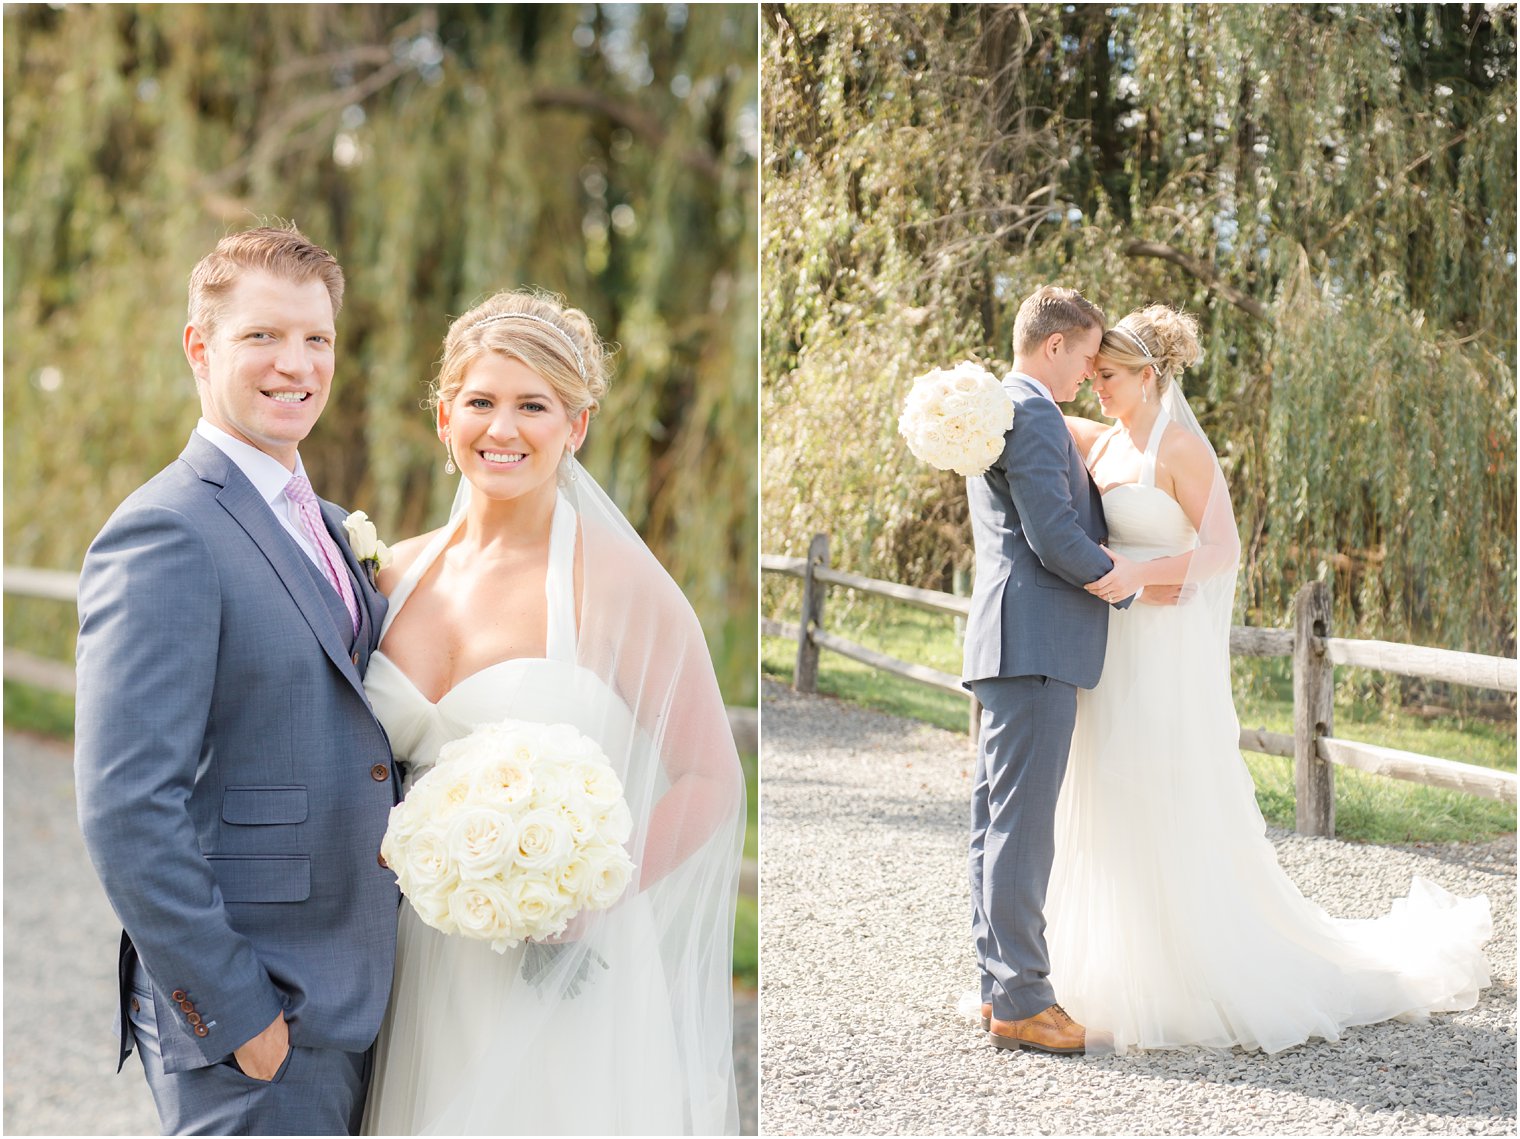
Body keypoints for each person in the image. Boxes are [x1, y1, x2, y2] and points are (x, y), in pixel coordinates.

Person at [1045, 304, 1493, 1054]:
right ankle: (1103, 968)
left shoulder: (1181, 447)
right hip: (1114, 647)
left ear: (1149, 375)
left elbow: (1221, 551)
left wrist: (1137, 572)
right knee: (1107, 786)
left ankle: (1185, 970)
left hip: (1161, 650)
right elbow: (1037, 418)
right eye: (1091, 375)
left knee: (1162, 787)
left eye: (1109, 375)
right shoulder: (1105, 444)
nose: (1096, 387)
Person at [359, 289, 745, 1134]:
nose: (504, 428)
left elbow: (710, 776)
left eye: (533, 405)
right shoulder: (392, 573)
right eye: (482, 402)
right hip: (419, 960)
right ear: (444, 416)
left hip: (565, 959)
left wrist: (592, 893)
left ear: (576, 425)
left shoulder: (620, 585)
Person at [75, 225, 399, 1134]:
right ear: (200, 345)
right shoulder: (166, 532)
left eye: (317, 338)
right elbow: (126, 803)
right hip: (262, 1012)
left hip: (356, 988)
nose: (295, 363)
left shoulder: (331, 526)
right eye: (262, 335)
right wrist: (236, 1011)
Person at [961, 285, 1152, 1055]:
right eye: (1084, 354)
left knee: (994, 822)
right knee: (1020, 827)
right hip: (1034, 641)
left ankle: (999, 988)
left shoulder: (999, 408)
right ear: (1054, 346)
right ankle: (1025, 1000)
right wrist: (1122, 577)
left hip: (1008, 641)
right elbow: (1052, 534)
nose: (1087, 372)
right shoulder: (1032, 411)